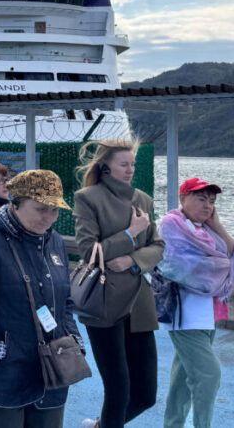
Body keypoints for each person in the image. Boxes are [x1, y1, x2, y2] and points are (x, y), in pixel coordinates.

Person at [0, 170, 84, 427]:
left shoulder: (54, 241)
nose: (49, 218)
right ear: (15, 202)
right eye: (41, 209)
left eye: (55, 210)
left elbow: (65, 299)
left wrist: (72, 338)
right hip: (2, 376)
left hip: (51, 372)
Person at [72, 138, 164, 428]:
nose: (130, 169)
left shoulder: (144, 200)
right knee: (118, 390)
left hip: (139, 305)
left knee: (146, 395)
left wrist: (132, 260)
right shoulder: (87, 197)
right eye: (124, 164)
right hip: (104, 303)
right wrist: (130, 233)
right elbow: (88, 251)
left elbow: (159, 247)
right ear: (106, 167)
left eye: (133, 164)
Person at [158, 178, 234, 428]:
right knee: (208, 375)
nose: (207, 206)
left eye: (212, 202)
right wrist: (218, 263)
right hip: (185, 315)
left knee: (182, 380)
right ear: (183, 197)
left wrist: (218, 225)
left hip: (208, 314)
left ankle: (172, 425)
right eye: (201, 198)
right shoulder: (172, 225)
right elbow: (177, 266)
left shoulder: (207, 231)